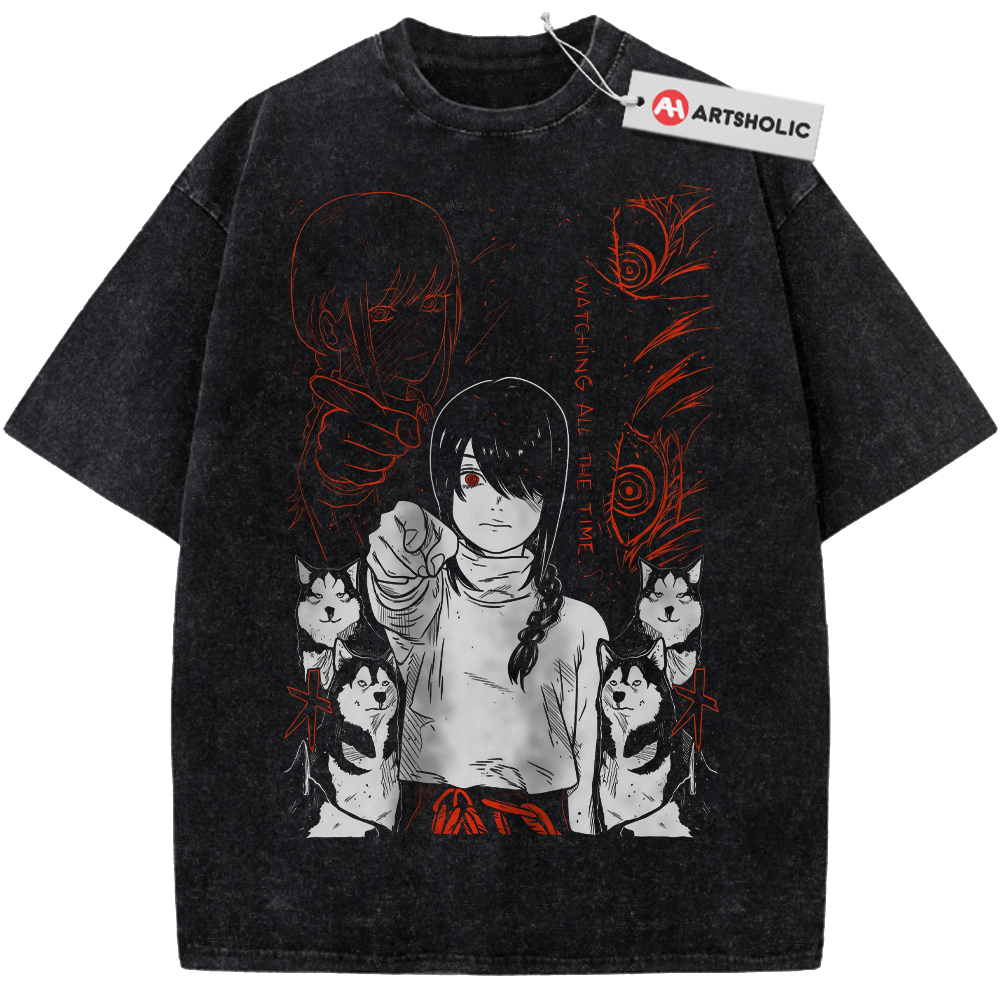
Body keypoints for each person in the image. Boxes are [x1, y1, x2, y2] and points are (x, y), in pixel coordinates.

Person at [366, 378, 609, 834]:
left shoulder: (579, 624)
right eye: (473, 479)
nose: (495, 502)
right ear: (447, 485)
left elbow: (588, 758)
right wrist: (411, 535)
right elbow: (394, 582)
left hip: (544, 828)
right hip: (429, 823)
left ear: (548, 494)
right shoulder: (425, 599)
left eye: (519, 482)